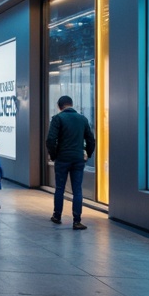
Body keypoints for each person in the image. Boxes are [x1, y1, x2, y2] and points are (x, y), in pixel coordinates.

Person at [47, 95, 95, 229]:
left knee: (60, 188)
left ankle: (57, 216)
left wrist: (54, 155)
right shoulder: (83, 119)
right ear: (71, 104)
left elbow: (50, 139)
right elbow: (91, 140)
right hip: (78, 159)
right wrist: (87, 153)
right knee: (77, 190)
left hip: (62, 158)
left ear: (59, 106)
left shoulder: (58, 119)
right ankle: (77, 220)